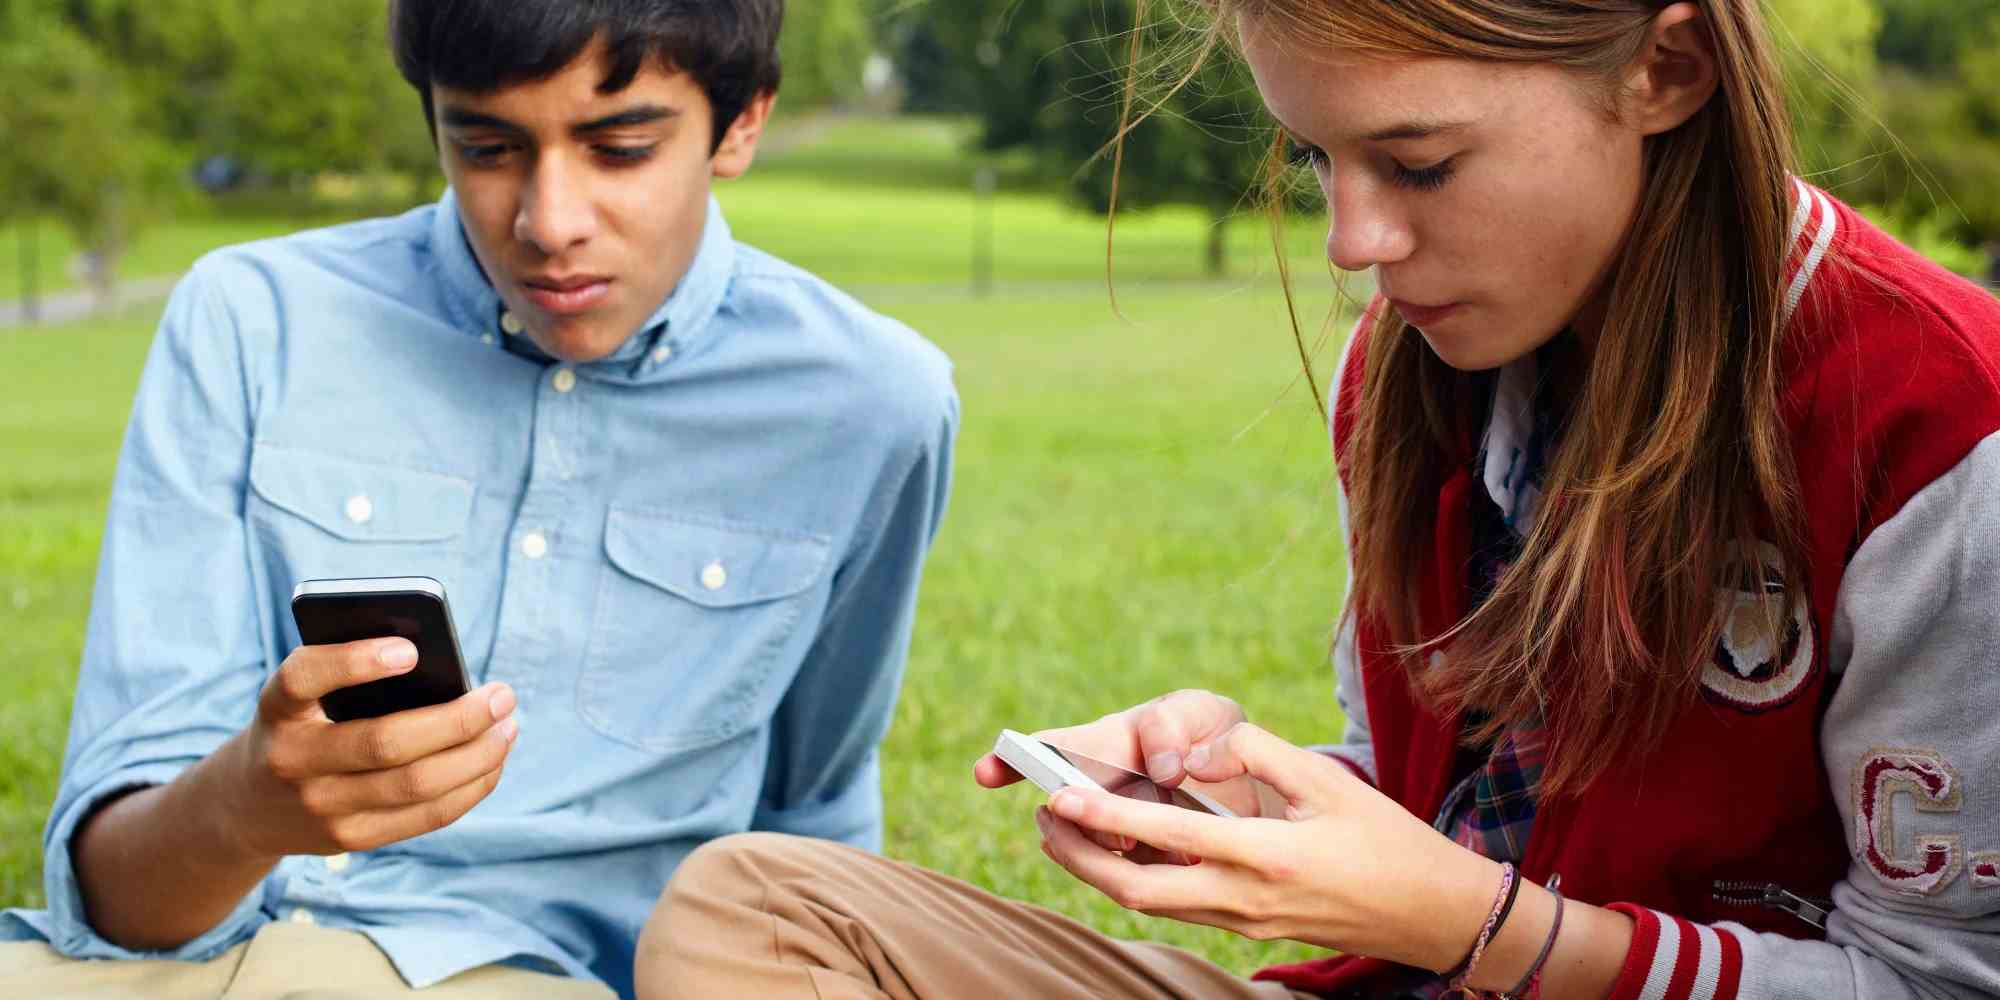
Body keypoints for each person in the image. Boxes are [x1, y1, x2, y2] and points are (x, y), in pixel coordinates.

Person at [639, 1, 2000, 998]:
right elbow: (1449, 817)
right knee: (746, 909)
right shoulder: (1410, 374)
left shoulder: (1938, 419)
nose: (1357, 242)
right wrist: (1252, 796)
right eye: (1317, 163)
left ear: (1666, 67)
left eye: (1418, 166)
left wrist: (1481, 928)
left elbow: (1939, 983)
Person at [0, 1, 957, 997]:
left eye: (620, 148)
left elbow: (812, 812)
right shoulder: (250, 322)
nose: (548, 224)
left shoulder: (866, 405)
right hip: (182, 967)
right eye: (486, 147)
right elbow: (118, 906)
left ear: (742, 123)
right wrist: (243, 805)